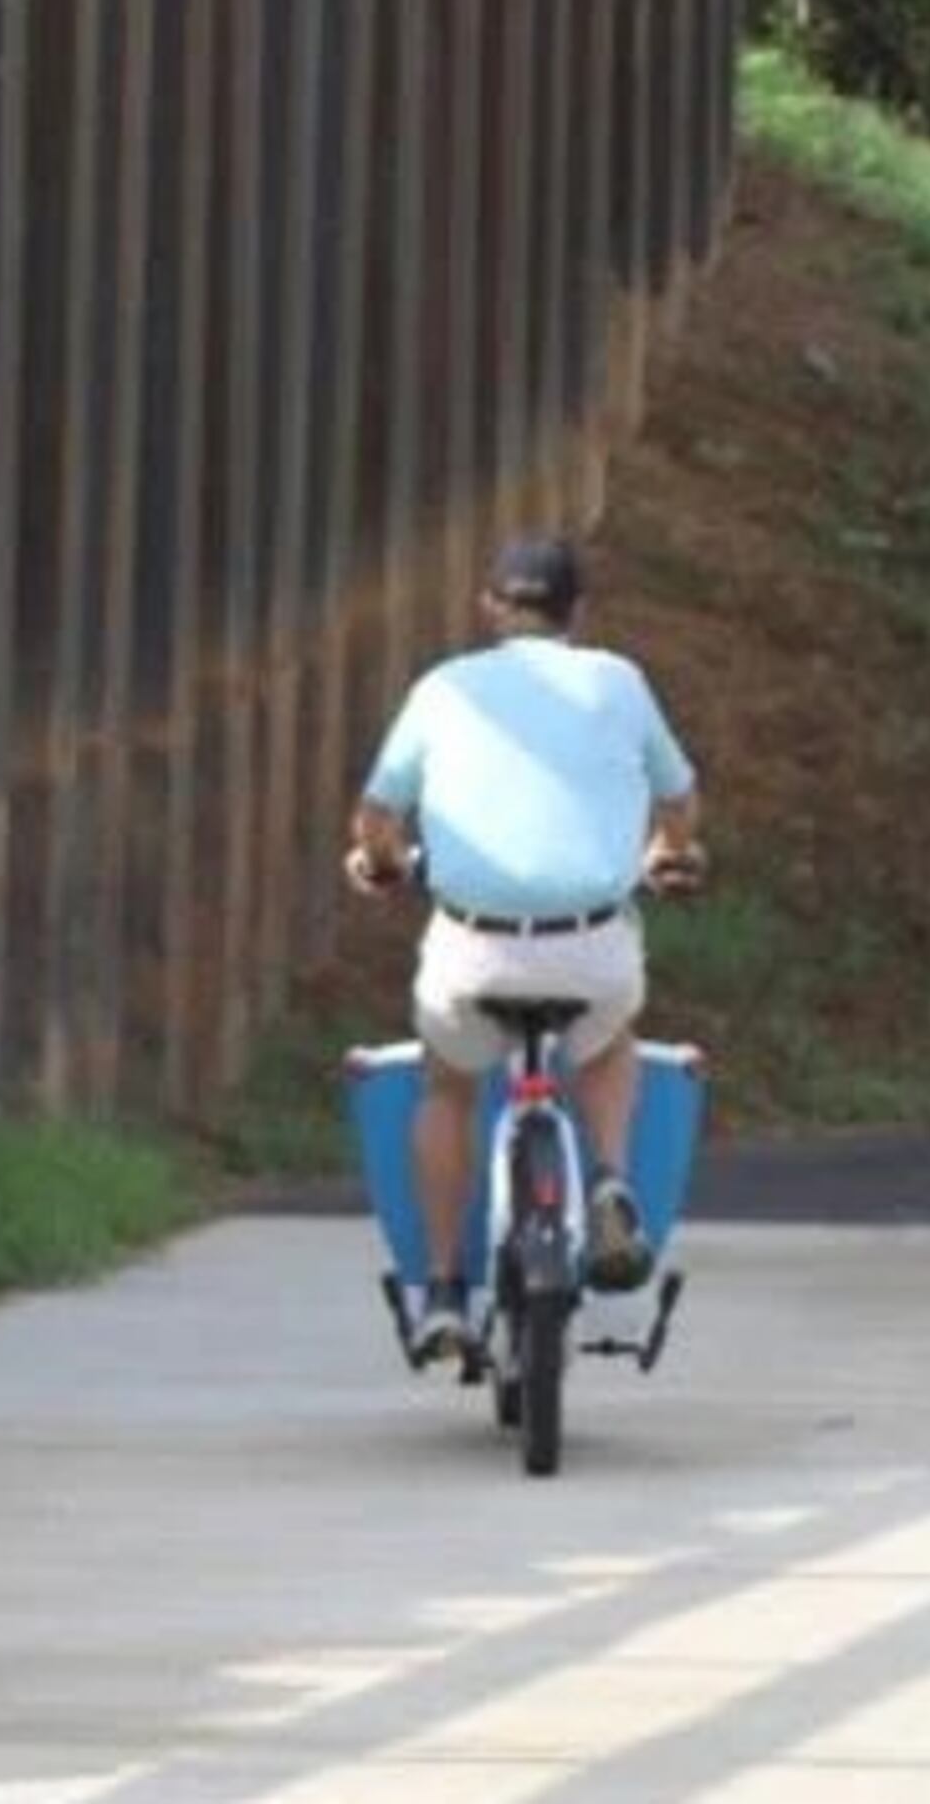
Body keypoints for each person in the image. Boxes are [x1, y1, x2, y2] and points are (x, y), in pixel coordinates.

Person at [344, 535, 701, 1369]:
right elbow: (680, 803)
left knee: (447, 1082)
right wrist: (665, 853)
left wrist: (385, 863)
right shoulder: (619, 681)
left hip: (474, 955)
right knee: (609, 1043)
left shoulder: (445, 689)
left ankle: (438, 1290)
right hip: (590, 950)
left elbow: (376, 816)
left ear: (490, 609)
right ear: (577, 614)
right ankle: (611, 1178)